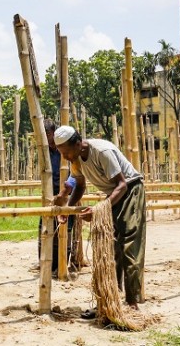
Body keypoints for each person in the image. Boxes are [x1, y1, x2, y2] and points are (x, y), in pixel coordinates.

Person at [53, 125, 146, 314]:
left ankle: (131, 304)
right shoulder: (76, 160)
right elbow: (79, 186)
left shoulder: (102, 151)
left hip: (130, 190)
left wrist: (97, 210)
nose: (65, 157)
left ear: (78, 144)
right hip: (113, 195)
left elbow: (122, 185)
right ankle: (110, 299)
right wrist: (68, 210)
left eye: (67, 152)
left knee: (129, 245)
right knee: (109, 247)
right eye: (62, 153)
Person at [36, 119, 75, 274]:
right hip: (49, 195)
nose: (46, 138)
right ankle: (46, 264)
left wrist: (65, 193)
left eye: (47, 134)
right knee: (45, 229)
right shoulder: (44, 151)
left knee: (65, 230)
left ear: (52, 132)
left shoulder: (65, 149)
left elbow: (75, 172)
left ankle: (62, 265)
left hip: (66, 193)